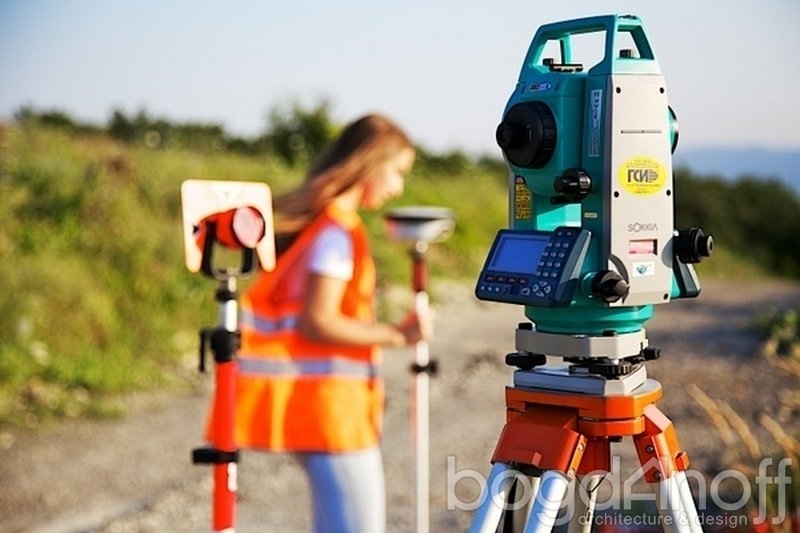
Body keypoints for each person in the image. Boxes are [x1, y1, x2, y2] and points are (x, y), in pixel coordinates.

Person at [230, 113, 429, 533]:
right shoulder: (336, 233)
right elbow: (317, 322)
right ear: (369, 163)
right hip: (330, 415)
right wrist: (399, 334)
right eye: (396, 172)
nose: (398, 186)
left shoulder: (324, 226)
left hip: (323, 411)